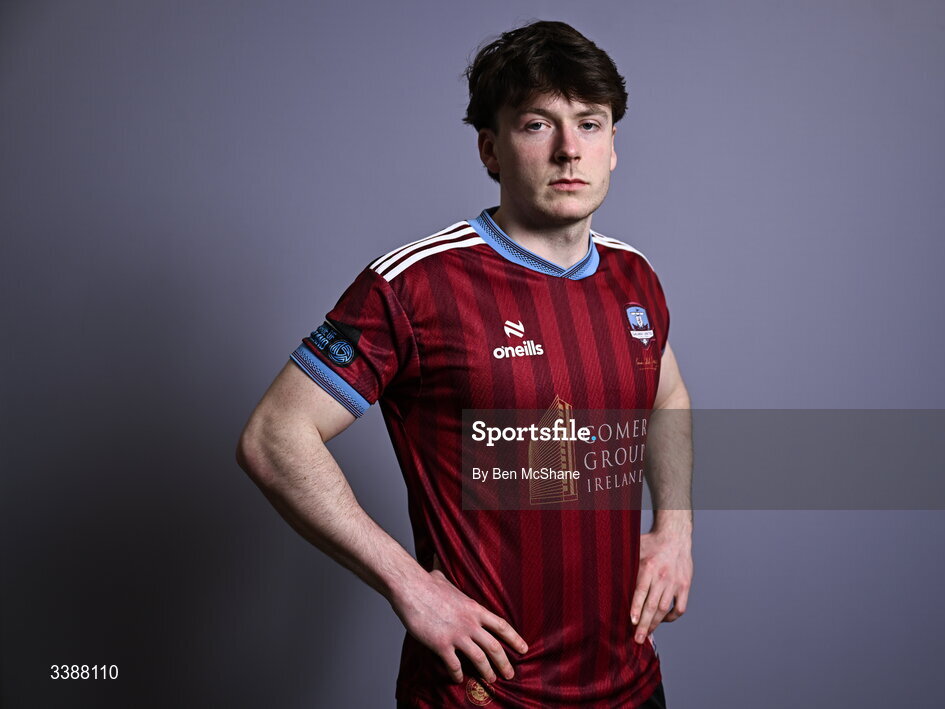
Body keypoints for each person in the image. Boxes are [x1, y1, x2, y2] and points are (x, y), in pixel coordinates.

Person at [236, 19, 693, 708]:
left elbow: (668, 398)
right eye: (539, 124)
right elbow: (274, 437)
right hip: (484, 694)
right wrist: (409, 584)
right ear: (490, 148)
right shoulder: (414, 283)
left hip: (630, 686)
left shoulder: (636, 277)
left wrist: (675, 526)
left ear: (613, 147)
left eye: (590, 124)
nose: (570, 150)